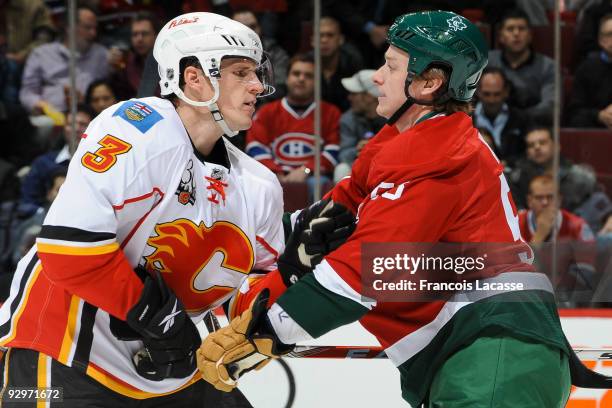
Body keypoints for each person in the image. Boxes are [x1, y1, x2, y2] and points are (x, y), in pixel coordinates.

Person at [198, 11, 577, 407]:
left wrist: (263, 335)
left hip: (497, 354)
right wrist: (227, 242)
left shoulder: (442, 155)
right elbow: (323, 224)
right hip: (483, 353)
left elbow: (364, 269)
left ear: (429, 83)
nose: (377, 76)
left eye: (391, 66)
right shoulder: (401, 145)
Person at [0, 12, 352, 407]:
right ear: (193, 77)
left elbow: (242, 301)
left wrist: (292, 270)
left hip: (169, 371)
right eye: (240, 72)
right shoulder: (135, 127)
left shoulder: (258, 185)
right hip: (64, 353)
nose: (257, 86)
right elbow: (67, 252)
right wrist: (161, 319)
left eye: (256, 73)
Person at [245, 54, 340, 200]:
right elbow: (255, 147)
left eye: (308, 75)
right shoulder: (267, 112)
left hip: (313, 178)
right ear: (287, 78)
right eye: (296, 74)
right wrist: (277, 172)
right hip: (274, 175)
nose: (301, 79)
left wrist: (307, 170)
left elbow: (333, 150)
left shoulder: (330, 113)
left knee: (320, 184)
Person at [518, 175, 597, 306]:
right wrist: (538, 237)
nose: (545, 202)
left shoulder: (578, 226)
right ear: (529, 200)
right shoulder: (516, 224)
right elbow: (513, 271)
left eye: (550, 197)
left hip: (565, 298)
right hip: (526, 297)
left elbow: (586, 274)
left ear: (559, 200)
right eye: (539, 198)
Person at [19, 7, 109, 114]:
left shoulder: (102, 54)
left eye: (95, 28)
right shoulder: (41, 54)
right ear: (69, 27)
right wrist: (42, 106)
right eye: (87, 28)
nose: (93, 33)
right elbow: (27, 92)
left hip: (89, 115)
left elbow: (108, 91)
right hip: (51, 117)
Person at [18, 104, 94, 217]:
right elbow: (26, 204)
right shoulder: (43, 163)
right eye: (70, 124)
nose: (76, 129)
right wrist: (45, 212)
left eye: (83, 125)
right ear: (64, 128)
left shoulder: (102, 164)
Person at [487, 8, 555, 124]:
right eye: (510, 29)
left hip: (532, 126)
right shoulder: (487, 62)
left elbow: (550, 107)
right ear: (501, 36)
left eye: (521, 29)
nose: (516, 33)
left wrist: (515, 118)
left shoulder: (548, 66)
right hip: (490, 124)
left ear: (530, 35)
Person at [334, 69, 385, 182]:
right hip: (359, 167)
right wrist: (359, 150)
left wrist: (377, 148)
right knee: (342, 169)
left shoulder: (392, 116)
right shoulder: (348, 119)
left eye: (354, 94)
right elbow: (344, 155)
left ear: (369, 96)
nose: (349, 98)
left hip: (386, 166)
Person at [473, 66, 529, 162]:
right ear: (478, 91)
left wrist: (510, 164)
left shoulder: (522, 119)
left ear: (506, 92)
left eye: (497, 94)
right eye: (487, 94)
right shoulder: (466, 118)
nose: (492, 100)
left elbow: (527, 153)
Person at [232, 8, 290, 100]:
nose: (249, 32)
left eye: (252, 27)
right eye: (242, 27)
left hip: (264, 105)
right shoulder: (220, 55)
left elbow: (280, 88)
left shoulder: (275, 53)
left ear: (260, 28)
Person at [567, 13, 612, 129]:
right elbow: (575, 112)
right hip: (596, 131)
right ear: (600, 40)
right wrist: (599, 115)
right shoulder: (586, 69)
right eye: (609, 34)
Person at [108, 11, 159, 100]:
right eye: (135, 34)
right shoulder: (128, 62)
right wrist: (113, 70)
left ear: (156, 36)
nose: (139, 39)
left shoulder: (167, 61)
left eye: (145, 34)